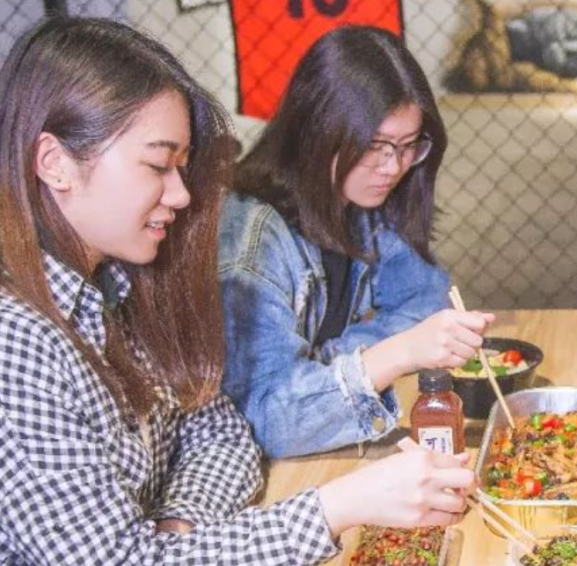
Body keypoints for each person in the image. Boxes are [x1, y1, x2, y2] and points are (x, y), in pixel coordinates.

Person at [0, 18, 474, 565]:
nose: (181, 195)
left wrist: (177, 527)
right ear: (55, 163)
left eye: (181, 167)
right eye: (158, 165)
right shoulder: (18, 346)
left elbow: (221, 433)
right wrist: (336, 507)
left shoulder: (119, 286)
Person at [218, 27, 493, 458]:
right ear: (317, 130)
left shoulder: (362, 197)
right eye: (374, 145)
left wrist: (328, 361)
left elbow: (428, 302)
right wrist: (395, 354)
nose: (393, 167)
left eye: (408, 145)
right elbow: (265, 421)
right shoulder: (252, 241)